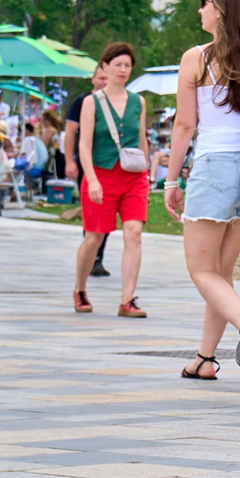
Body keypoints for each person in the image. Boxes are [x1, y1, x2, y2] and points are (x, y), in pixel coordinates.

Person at [165, 0, 240, 375]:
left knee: (201, 271)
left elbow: (184, 125)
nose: (200, 9)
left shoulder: (196, 58)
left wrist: (169, 181)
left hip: (215, 168)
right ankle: (205, 359)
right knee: (221, 273)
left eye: (206, 3)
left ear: (222, 12)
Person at [76, 44, 152, 318]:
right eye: (117, 64)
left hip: (133, 178)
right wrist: (92, 180)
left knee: (134, 233)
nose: (122, 70)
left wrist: (147, 173)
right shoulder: (91, 102)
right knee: (94, 238)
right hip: (101, 174)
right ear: (104, 67)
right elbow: (84, 144)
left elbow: (142, 140)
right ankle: (80, 287)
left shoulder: (138, 102)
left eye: (127, 65)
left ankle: (127, 300)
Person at [62, 82, 112, 278]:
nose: (104, 81)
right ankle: (92, 257)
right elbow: (71, 132)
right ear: (94, 79)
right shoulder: (82, 101)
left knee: (107, 212)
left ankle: (98, 256)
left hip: (110, 165)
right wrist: (69, 161)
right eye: (100, 76)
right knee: (92, 211)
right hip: (87, 163)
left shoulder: (118, 102)